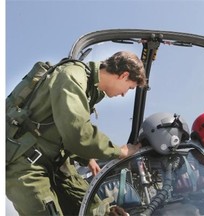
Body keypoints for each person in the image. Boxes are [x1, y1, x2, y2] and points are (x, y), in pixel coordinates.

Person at [6, 51, 147, 216]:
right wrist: (120, 151)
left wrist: (87, 158)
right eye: (129, 88)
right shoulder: (72, 76)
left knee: (97, 211)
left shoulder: (89, 87)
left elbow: (60, 128)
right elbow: (78, 133)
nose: (124, 94)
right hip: (25, 165)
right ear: (123, 75)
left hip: (55, 163)